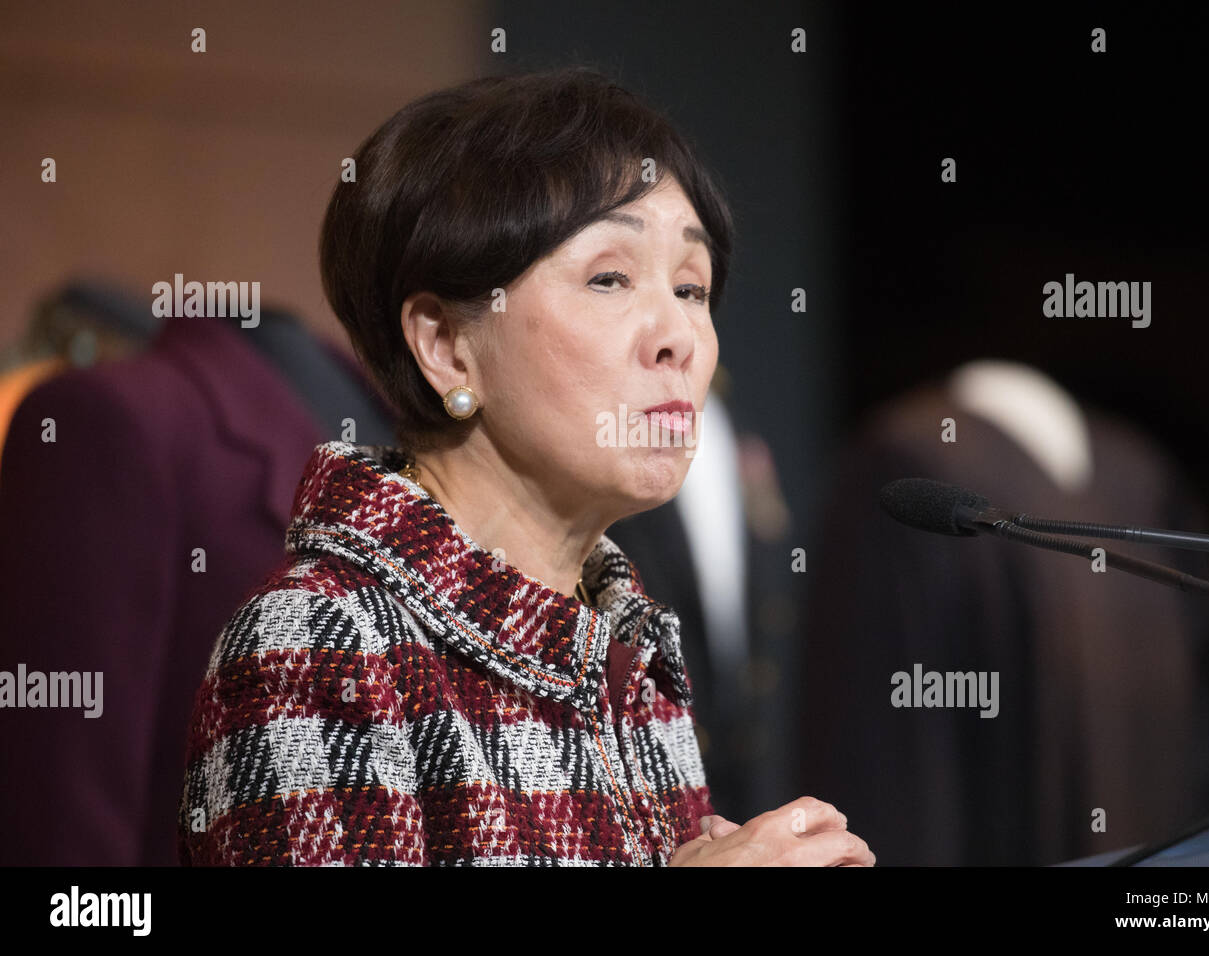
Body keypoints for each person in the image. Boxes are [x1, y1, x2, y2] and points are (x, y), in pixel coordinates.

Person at [177, 66, 874, 866]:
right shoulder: (320, 643)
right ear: (445, 346)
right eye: (610, 278)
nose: (679, 337)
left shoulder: (626, 645)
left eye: (691, 286)